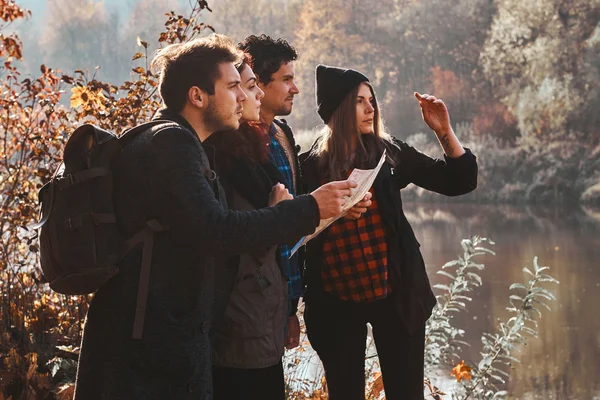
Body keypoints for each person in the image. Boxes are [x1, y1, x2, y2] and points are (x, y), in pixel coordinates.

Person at [73, 36, 356, 400]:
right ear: (197, 96)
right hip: (146, 352)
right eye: (233, 86)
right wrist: (309, 208)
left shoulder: (186, 144)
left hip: (160, 344)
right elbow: (218, 230)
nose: (242, 97)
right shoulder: (172, 145)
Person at [300, 64, 478, 400]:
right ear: (338, 109)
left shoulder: (388, 151)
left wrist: (444, 132)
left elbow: (459, 181)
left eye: (372, 100)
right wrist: (333, 213)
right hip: (336, 304)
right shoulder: (309, 167)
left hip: (396, 297)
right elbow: (292, 233)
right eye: (359, 101)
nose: (371, 108)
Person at [238, 35, 305, 349]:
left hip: (282, 299)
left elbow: (290, 232)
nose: (295, 88)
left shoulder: (283, 133)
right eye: (287, 79)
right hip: (250, 306)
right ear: (259, 85)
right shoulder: (235, 147)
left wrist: (291, 307)